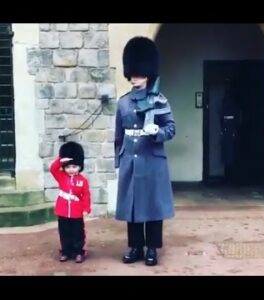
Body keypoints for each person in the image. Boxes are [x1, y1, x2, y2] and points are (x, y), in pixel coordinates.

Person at [114, 36, 176, 266]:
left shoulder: (159, 100)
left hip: (152, 159)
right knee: (132, 207)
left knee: (152, 206)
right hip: (131, 159)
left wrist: (156, 131)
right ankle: (135, 246)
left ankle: (152, 248)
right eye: (132, 74)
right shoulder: (123, 103)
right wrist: (118, 163)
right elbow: (118, 136)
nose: (135, 78)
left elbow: (171, 128)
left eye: (139, 74)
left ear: (148, 73)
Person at [50, 141, 91, 263]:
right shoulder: (61, 176)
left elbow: (86, 195)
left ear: (79, 166)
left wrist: (86, 208)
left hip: (76, 211)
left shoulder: (82, 180)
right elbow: (53, 169)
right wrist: (61, 159)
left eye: (74, 166)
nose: (71, 169)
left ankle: (78, 251)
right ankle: (66, 251)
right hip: (63, 210)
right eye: (68, 167)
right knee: (64, 232)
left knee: (77, 232)